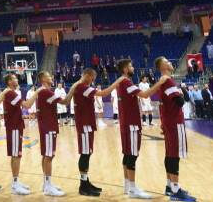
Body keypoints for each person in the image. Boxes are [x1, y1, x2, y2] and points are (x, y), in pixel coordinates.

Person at [116, 58, 168, 198]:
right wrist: (160, 82)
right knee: (132, 155)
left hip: (126, 124)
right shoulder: (126, 82)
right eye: (131, 66)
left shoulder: (120, 83)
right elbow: (145, 95)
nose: (133, 67)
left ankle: (128, 186)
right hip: (131, 124)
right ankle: (133, 189)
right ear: (126, 69)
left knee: (127, 154)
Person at [72, 69, 124, 197]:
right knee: (85, 154)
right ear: (87, 76)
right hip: (84, 125)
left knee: (87, 154)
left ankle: (86, 181)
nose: (93, 80)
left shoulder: (83, 87)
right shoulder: (82, 87)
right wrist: (117, 81)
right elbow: (104, 93)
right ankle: (83, 185)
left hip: (87, 124)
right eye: (93, 78)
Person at [154, 57, 196, 201]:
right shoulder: (168, 81)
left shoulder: (161, 82)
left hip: (167, 120)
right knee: (174, 155)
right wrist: (181, 92)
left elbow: (162, 104)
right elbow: (179, 102)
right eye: (169, 62)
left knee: (169, 153)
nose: (172, 64)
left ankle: (169, 186)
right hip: (174, 121)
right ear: (165, 66)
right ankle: (176, 189)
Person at [36, 70, 78, 197]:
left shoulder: (44, 92)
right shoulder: (46, 92)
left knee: (46, 156)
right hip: (48, 127)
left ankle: (46, 183)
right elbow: (65, 101)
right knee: (49, 156)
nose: (51, 77)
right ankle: (48, 186)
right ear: (44, 79)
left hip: (47, 126)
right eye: (49, 76)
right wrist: (74, 87)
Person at [1, 73, 42, 195]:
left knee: (17, 155)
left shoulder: (11, 92)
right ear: (9, 82)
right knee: (15, 155)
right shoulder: (10, 93)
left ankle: (16, 181)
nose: (16, 79)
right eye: (14, 78)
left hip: (16, 126)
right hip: (13, 126)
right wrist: (37, 92)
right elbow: (27, 105)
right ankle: (14, 184)